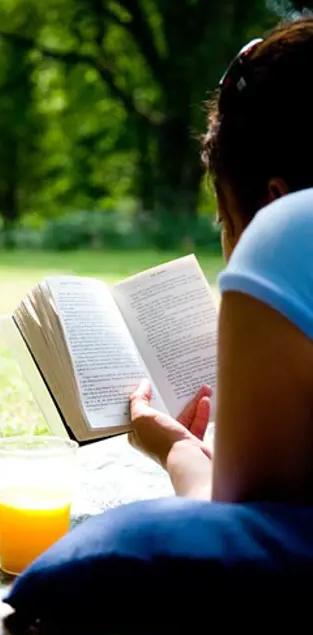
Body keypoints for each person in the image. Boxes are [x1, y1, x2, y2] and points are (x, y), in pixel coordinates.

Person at [130, 16, 313, 504]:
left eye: (224, 221)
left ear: (272, 199)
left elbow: (236, 524)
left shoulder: (287, 230)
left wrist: (176, 451)